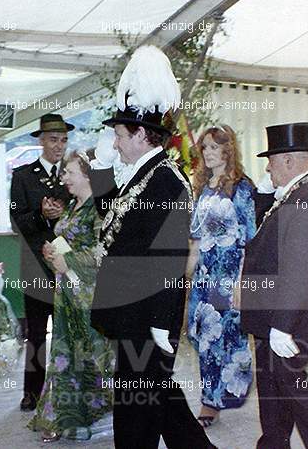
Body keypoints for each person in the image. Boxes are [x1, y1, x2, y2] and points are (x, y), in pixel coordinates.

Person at [89, 45, 215, 449]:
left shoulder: (166, 180)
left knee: (137, 409)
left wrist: (162, 322)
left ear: (142, 135)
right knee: (158, 400)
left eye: (119, 135)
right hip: (132, 311)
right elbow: (112, 221)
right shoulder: (144, 173)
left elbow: (169, 258)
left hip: (147, 317)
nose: (116, 140)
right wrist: (102, 168)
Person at [241, 122, 308, 448]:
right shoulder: (298, 191)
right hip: (274, 311)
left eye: (271, 162)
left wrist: (282, 325)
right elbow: (265, 237)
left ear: (288, 161)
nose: (268, 168)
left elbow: (300, 268)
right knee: (275, 387)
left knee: (296, 390)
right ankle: (273, 444)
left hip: (289, 315)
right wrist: (264, 194)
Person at [28, 150, 113, 443]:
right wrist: (52, 251)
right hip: (66, 293)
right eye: (64, 172)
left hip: (88, 296)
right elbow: (68, 241)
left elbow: (105, 252)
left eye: (69, 172)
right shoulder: (75, 207)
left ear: (87, 175)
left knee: (89, 355)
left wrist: (71, 261)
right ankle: (64, 416)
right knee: (65, 354)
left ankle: (97, 415)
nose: (63, 178)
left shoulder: (99, 209)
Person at [185, 125, 255, 427]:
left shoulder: (242, 187)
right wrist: (186, 279)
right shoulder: (202, 187)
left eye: (215, 147)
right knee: (203, 338)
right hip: (204, 275)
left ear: (228, 150)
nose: (209, 153)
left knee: (226, 338)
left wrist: (242, 282)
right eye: (205, 148)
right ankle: (211, 397)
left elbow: (250, 239)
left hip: (229, 277)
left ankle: (215, 399)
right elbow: (197, 240)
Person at [10, 113, 72, 412]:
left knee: (68, 332)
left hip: (68, 268)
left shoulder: (75, 173)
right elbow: (16, 220)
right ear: (40, 141)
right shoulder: (22, 175)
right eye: (53, 139)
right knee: (36, 334)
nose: (58, 145)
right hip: (36, 266)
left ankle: (65, 389)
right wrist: (40, 216)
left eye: (63, 140)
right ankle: (31, 392)